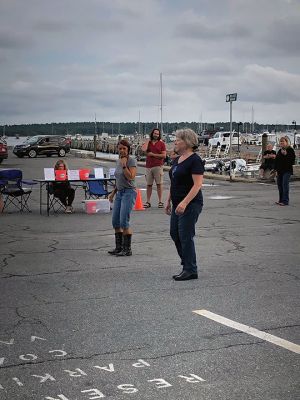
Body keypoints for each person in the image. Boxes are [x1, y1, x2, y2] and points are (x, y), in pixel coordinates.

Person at [165, 128, 205, 281]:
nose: (175, 142)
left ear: (187, 142)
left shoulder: (195, 160)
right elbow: (174, 182)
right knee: (174, 233)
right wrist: (168, 200)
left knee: (185, 235)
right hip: (177, 203)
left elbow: (197, 185)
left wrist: (185, 202)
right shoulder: (177, 159)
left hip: (191, 203)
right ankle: (187, 262)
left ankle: (190, 269)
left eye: (178, 139)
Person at [108, 139, 137, 256]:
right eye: (120, 148)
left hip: (129, 193)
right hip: (119, 193)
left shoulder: (131, 160)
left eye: (124, 148)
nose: (122, 151)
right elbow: (119, 179)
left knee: (124, 221)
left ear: (128, 149)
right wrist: (113, 193)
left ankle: (127, 249)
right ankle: (118, 247)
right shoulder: (117, 161)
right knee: (115, 221)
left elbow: (131, 177)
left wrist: (124, 165)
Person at [143, 128, 166, 208]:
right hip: (148, 166)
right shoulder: (148, 143)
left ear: (159, 135)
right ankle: (148, 201)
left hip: (158, 166)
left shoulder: (161, 144)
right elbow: (143, 150)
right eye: (155, 133)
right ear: (152, 133)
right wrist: (147, 140)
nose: (156, 135)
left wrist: (153, 154)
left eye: (157, 134)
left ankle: (160, 201)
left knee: (159, 184)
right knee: (149, 184)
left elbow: (164, 155)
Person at [274, 136, 295, 206]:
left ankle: (285, 201)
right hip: (280, 171)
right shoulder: (280, 151)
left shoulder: (290, 150)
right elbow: (277, 161)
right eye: (280, 142)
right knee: (280, 185)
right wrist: (275, 170)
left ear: (286, 142)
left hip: (287, 170)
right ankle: (281, 200)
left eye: (283, 141)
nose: (281, 143)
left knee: (285, 185)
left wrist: (286, 154)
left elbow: (292, 161)